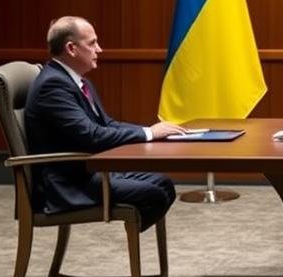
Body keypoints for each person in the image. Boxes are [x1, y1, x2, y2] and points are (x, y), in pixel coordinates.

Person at [24, 16, 185, 231]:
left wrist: (150, 132)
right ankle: (129, 246)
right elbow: (93, 136)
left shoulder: (77, 81)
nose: (99, 49)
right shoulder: (53, 85)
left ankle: (134, 236)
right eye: (92, 43)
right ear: (71, 48)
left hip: (87, 170)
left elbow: (106, 124)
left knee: (163, 184)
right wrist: (148, 133)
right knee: (153, 195)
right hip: (68, 183)